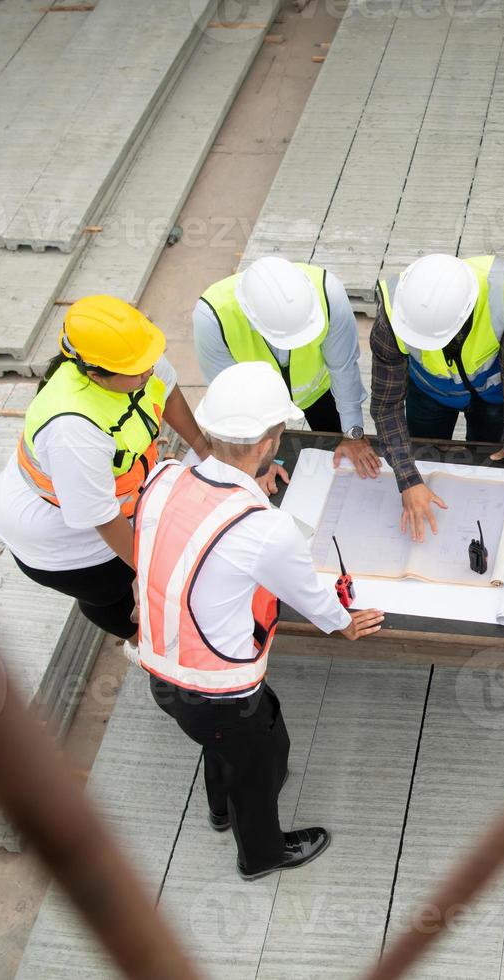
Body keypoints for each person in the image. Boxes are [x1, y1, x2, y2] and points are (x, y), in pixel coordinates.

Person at [134, 361, 385, 881]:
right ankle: (262, 855)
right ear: (270, 442)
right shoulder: (266, 529)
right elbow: (312, 597)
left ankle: (220, 809)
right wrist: (345, 623)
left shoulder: (162, 479)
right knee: (255, 759)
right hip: (218, 687)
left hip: (162, 670)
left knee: (230, 742)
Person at [0, 295, 209, 640]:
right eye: (138, 372)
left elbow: (169, 393)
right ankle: (142, 647)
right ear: (95, 375)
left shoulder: (134, 357)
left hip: (102, 505)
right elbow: (102, 517)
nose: (149, 372)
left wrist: (205, 450)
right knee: (110, 592)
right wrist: (152, 572)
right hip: (58, 541)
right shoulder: (72, 431)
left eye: (149, 363)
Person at [371, 252, 504, 541]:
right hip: (429, 392)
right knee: (424, 456)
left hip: (492, 397)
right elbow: (386, 404)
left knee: (490, 463)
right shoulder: (394, 311)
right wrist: (407, 479)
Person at [194, 256, 380, 487]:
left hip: (319, 391)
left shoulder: (328, 294)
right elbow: (232, 398)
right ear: (253, 319)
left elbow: (343, 369)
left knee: (334, 453)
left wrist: (353, 434)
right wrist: (259, 464)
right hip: (257, 406)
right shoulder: (213, 318)